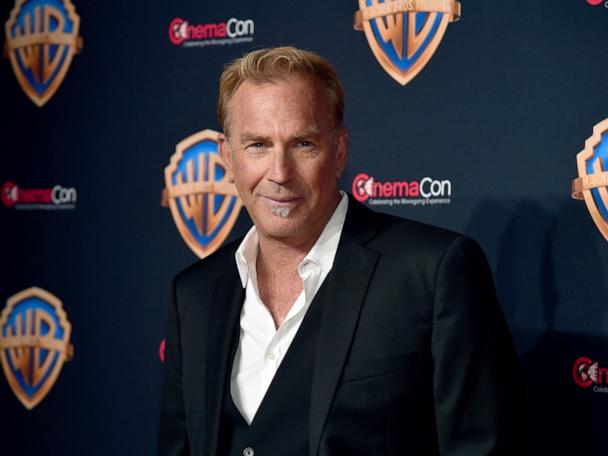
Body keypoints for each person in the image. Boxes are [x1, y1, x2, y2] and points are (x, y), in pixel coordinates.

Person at [158, 46, 526, 456]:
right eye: (258, 145)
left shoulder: (432, 274)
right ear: (228, 158)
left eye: (303, 144)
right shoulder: (194, 294)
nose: (279, 173)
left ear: (339, 152)